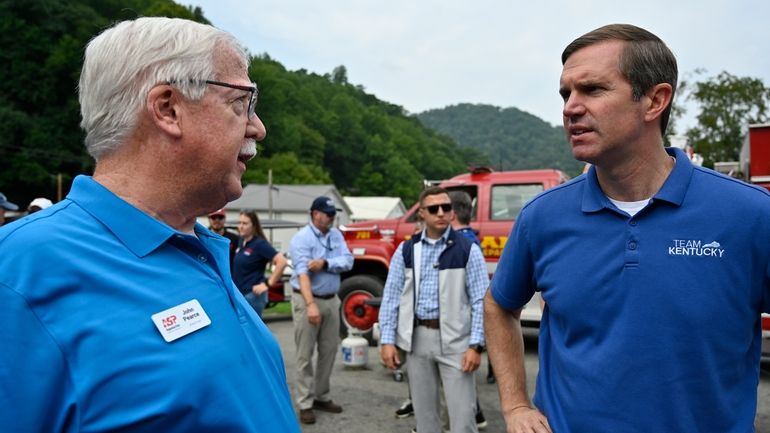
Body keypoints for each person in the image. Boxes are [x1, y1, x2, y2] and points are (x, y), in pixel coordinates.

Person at [0, 17, 300, 433]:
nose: (258, 128)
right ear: (168, 108)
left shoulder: (201, 246)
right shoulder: (16, 275)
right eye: (241, 103)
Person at [485, 23, 770, 433]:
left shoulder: (750, 216)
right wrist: (515, 407)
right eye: (566, 93)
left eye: (593, 90)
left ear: (655, 100)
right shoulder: (542, 217)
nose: (570, 107)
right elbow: (499, 305)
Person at [379, 186, 489, 433]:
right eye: (433, 209)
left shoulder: (467, 249)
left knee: (463, 422)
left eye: (446, 207)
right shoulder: (406, 250)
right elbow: (391, 296)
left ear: (452, 212)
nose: (441, 212)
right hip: (417, 340)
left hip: (457, 343)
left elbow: (481, 301)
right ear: (422, 215)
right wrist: (387, 340)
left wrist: (475, 345)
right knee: (426, 421)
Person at [289, 195, 353, 424]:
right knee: (305, 355)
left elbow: (348, 260)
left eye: (333, 213)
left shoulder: (336, 235)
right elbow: (303, 273)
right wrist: (310, 305)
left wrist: (326, 263)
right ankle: (305, 402)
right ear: (315, 213)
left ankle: (321, 395)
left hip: (331, 299)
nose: (332, 217)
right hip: (309, 300)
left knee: (329, 351)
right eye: (327, 213)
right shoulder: (301, 239)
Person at [234, 209, 287, 317]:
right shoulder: (241, 242)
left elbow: (282, 261)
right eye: (239, 223)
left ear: (253, 226)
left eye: (245, 223)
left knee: (251, 332)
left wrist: (267, 284)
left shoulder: (259, 244)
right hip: (241, 295)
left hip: (253, 296)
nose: (241, 226)